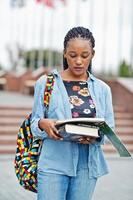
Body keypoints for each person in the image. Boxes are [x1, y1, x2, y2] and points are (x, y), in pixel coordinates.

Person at [31, 26, 115, 200]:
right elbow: (34, 124)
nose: (78, 61)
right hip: (53, 163)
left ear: (92, 54)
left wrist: (96, 136)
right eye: (72, 55)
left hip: (87, 166)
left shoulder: (102, 89)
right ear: (64, 54)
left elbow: (109, 130)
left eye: (84, 56)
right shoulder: (46, 83)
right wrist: (42, 124)